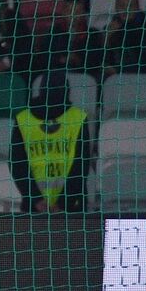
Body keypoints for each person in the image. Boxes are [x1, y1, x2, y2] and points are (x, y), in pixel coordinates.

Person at [10, 72, 91, 214]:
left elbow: (17, 164)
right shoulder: (77, 118)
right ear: (67, 91)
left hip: (36, 205)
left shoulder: (24, 119)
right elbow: (81, 165)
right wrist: (61, 203)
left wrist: (36, 199)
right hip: (69, 206)